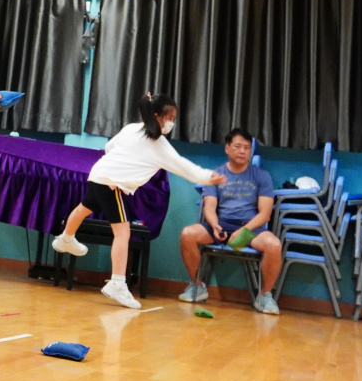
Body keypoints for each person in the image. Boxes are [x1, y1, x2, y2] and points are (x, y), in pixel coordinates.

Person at [51, 94, 224, 309]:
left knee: (84, 208)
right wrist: (207, 177)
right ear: (156, 116)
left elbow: (110, 147)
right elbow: (182, 166)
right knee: (122, 232)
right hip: (111, 183)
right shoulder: (158, 145)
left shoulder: (132, 128)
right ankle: (117, 283)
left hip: (98, 175)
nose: (171, 123)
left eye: (174, 119)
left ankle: (65, 239)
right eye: (169, 118)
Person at [179, 128, 281, 314]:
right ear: (227, 148)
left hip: (248, 231)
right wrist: (214, 225)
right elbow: (210, 207)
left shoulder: (262, 176)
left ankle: (265, 296)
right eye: (238, 146)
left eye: (247, 148)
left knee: (273, 245)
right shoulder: (216, 175)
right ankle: (197, 286)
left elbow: (265, 214)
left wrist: (244, 231)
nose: (242, 151)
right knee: (188, 234)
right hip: (221, 228)